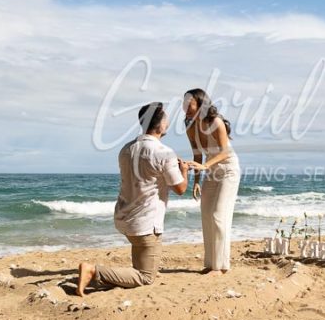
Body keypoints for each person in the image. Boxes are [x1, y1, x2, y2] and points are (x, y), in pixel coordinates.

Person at [77, 102, 188, 296]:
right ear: (161, 125)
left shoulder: (126, 149)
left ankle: (127, 273)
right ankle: (93, 270)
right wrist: (184, 171)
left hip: (125, 217)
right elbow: (180, 188)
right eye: (167, 120)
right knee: (146, 277)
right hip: (146, 223)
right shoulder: (164, 152)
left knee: (141, 259)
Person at [183, 89, 240, 275]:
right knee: (207, 215)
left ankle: (221, 266)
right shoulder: (190, 127)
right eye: (184, 103)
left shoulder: (216, 122)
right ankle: (211, 264)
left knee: (218, 215)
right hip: (211, 172)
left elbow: (225, 152)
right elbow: (197, 155)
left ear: (200, 105)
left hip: (228, 170)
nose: (185, 107)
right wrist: (196, 181)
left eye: (189, 103)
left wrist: (205, 166)